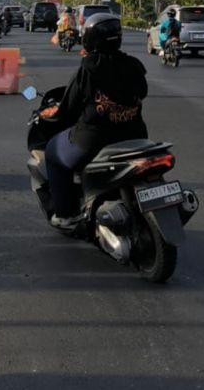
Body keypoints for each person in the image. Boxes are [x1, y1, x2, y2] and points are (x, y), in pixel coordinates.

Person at [45, 12, 148, 230]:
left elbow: (68, 111)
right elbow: (143, 92)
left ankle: (64, 214)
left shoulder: (87, 69)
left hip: (94, 141)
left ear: (89, 39)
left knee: (53, 152)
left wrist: (52, 114)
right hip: (135, 136)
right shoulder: (133, 65)